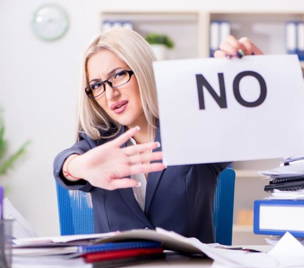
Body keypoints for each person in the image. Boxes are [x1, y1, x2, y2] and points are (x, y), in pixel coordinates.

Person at [53, 28, 263, 243]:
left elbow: (245, 123)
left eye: (118, 75)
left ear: (143, 70)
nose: (110, 94)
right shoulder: (99, 142)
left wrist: (248, 67)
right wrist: (79, 167)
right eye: (96, 85)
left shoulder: (193, 130)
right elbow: (63, 162)